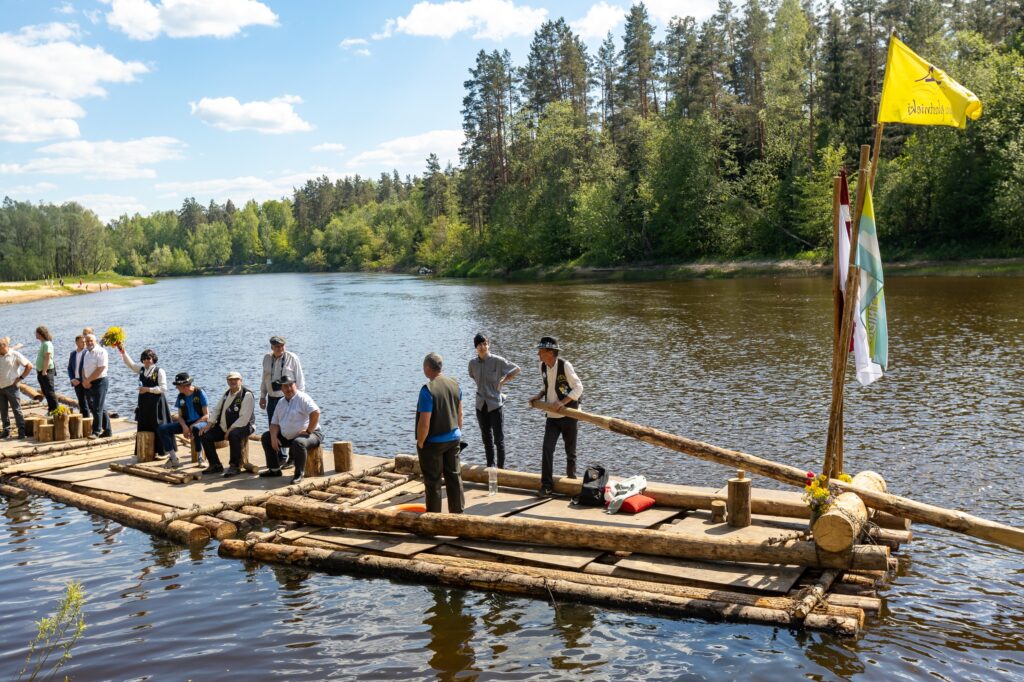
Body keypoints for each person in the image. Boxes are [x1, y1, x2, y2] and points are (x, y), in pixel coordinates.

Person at [528, 337, 584, 498]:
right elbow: (547, 385)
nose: (538, 354)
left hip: (569, 414)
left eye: (541, 351)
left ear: (551, 353)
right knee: (547, 448)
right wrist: (539, 396)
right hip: (552, 417)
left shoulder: (565, 365)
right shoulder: (542, 366)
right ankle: (546, 486)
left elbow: (579, 387)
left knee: (570, 452)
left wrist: (562, 403)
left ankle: (572, 484)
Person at [416, 352, 464, 514]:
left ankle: (434, 517)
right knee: (454, 477)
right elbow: (460, 414)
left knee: (433, 481)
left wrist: (421, 442)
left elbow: (425, 422)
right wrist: (458, 432)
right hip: (454, 438)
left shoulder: (427, 390)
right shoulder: (455, 384)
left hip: (433, 443)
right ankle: (458, 515)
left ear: (427, 368)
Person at [467, 333, 519, 469]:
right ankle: (490, 466)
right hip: (480, 405)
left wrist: (503, 381)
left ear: (488, 345)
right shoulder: (472, 364)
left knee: (498, 440)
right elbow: (473, 376)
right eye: (479, 345)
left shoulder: (497, 361)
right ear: (476, 347)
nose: (482, 347)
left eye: (485, 344)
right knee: (486, 439)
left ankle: (501, 470)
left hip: (495, 404)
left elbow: (516, 369)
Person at [259, 374, 321, 484]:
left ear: (295, 385)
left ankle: (299, 474)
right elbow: (274, 423)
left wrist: (308, 431)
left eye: (290, 385)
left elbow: (316, 413)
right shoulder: (281, 402)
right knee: (266, 437)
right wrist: (273, 437)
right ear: (281, 388)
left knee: (298, 443)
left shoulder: (303, 398)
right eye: (285, 386)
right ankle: (274, 470)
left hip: (312, 434)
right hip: (291, 437)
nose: (288, 389)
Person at [118, 345, 171, 458]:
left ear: (153, 359)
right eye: (144, 358)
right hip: (144, 403)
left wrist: (148, 389)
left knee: (158, 425)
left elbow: (163, 389)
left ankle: (164, 452)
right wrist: (122, 351)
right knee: (145, 425)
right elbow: (130, 364)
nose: (146, 361)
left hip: (157, 403)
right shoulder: (141, 369)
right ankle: (147, 451)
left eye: (149, 358)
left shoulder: (159, 371)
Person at [199, 371, 255, 477]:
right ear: (227, 381)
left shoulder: (247, 395)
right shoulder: (226, 393)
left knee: (233, 435)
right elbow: (217, 410)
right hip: (225, 427)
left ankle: (235, 466)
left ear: (241, 381)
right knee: (205, 435)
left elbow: (244, 418)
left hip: (245, 426)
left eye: (236, 379)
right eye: (230, 379)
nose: (233, 381)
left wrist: (230, 430)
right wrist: (209, 424)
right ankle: (215, 464)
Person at [158, 372, 209, 468]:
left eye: (178, 386)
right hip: (187, 423)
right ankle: (173, 459)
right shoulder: (181, 396)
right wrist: (184, 426)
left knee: (196, 428)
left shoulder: (199, 393)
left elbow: (206, 415)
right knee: (162, 429)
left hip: (201, 422)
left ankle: (200, 458)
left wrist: (193, 425)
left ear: (184, 386)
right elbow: (180, 416)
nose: (176, 388)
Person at [260, 336, 304, 424]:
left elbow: (300, 381)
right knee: (272, 425)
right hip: (271, 399)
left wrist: (299, 401)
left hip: (287, 399)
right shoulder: (267, 358)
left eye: (282, 346)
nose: (280, 348)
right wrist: (262, 397)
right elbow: (264, 379)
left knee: (287, 426)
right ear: (272, 347)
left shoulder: (292, 358)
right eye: (277, 346)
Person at [0, 337, 33, 439]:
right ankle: (6, 431)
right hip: (0, 388)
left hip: (12, 387)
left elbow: (29, 366)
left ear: (4, 346)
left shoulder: (14, 354)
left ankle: (21, 432)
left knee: (16, 410)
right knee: (3, 411)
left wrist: (21, 378)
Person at [81, 333, 112, 439]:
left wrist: (88, 380)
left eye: (91, 341)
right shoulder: (86, 353)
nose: (89, 343)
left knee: (97, 407)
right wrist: (84, 380)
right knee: (100, 407)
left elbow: (101, 368)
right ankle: (108, 430)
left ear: (95, 341)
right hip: (89, 382)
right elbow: (84, 368)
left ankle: (96, 431)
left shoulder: (101, 351)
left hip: (100, 382)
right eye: (87, 341)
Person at [34, 326, 58, 413]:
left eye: (36, 333)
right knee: (45, 391)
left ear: (40, 334)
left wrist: (44, 370)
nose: (35, 334)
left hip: (46, 371)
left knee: (50, 391)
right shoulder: (43, 343)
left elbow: (47, 357)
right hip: (41, 371)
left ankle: (56, 410)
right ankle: (51, 409)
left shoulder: (47, 344)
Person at [67, 335, 91, 418]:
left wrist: (82, 380)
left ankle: (87, 420)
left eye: (84, 342)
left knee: (87, 402)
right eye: (82, 342)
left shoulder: (87, 353)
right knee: (81, 402)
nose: (84, 343)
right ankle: (83, 419)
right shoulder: (73, 354)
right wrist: (72, 379)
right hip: (76, 381)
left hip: (84, 380)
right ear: (76, 343)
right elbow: (69, 368)